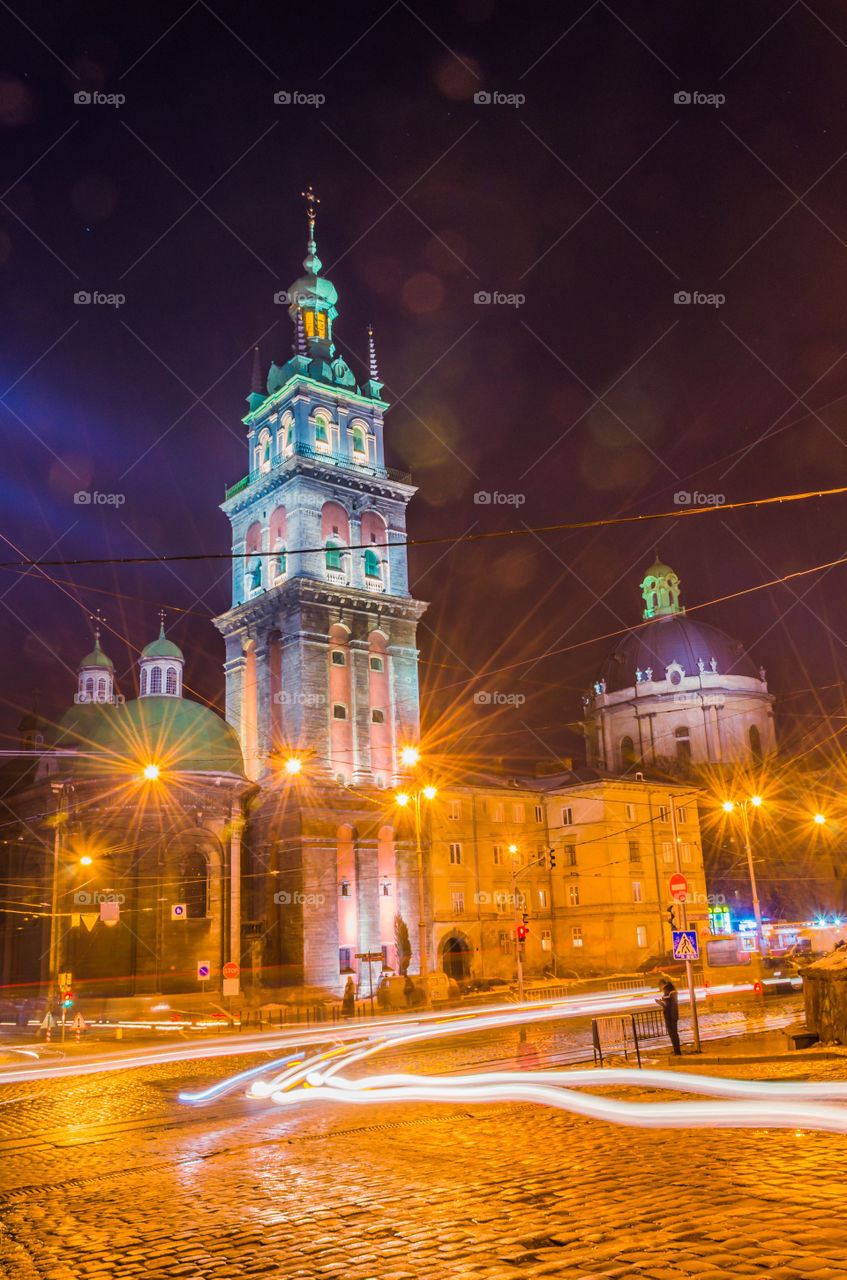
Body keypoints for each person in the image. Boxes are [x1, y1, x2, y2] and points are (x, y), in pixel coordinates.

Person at [656, 979, 681, 1055]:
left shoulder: (667, 990)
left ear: (661, 985)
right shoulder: (672, 989)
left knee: (672, 1034)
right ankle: (677, 1051)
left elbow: (666, 1004)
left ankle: (677, 1052)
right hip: (674, 1014)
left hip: (669, 1015)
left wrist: (659, 1002)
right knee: (675, 1034)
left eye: (659, 987)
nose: (660, 989)